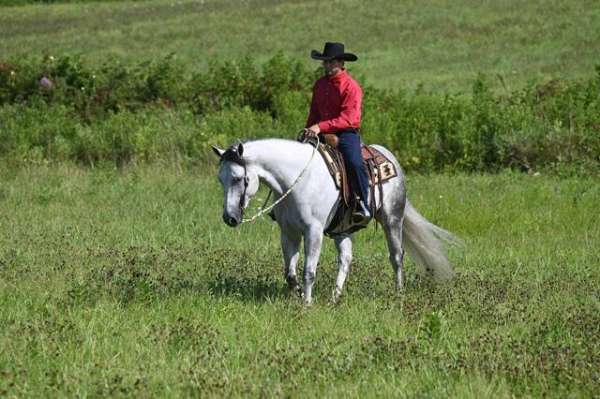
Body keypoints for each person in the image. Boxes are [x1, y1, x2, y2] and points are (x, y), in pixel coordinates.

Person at [304, 42, 371, 222]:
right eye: (325, 62)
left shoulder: (351, 87)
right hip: (320, 130)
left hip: (346, 133)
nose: (327, 65)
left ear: (341, 63)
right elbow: (314, 113)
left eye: (331, 62)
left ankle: (363, 202)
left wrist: (320, 126)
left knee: (354, 161)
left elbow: (349, 119)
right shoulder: (320, 85)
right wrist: (308, 128)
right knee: (298, 156)